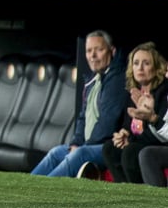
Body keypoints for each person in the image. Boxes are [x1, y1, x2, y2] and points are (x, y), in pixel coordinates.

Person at [30, 30, 126, 178]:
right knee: (56, 152)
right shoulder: (93, 80)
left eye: (99, 50)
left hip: (108, 147)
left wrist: (82, 147)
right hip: (88, 144)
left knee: (80, 153)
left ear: (111, 51)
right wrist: (76, 142)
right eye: (89, 51)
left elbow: (107, 122)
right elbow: (83, 118)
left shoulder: (117, 80)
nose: (92, 56)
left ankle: (41, 192)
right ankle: (25, 188)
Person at [101, 42, 168, 184]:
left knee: (130, 152)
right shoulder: (134, 92)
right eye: (136, 63)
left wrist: (130, 140)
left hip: (156, 144)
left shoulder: (162, 92)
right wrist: (123, 134)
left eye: (146, 63)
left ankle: (138, 194)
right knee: (109, 148)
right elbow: (128, 124)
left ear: (156, 68)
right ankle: (123, 190)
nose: (140, 68)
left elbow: (159, 135)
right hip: (138, 142)